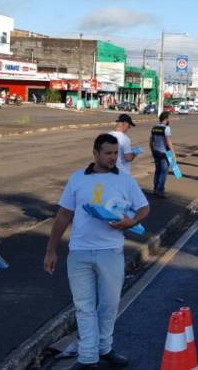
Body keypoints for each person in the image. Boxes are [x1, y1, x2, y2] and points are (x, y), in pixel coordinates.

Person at [44, 134, 150, 369]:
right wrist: (51, 250)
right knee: (84, 306)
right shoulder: (77, 179)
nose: (113, 157)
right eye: (108, 153)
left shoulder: (124, 180)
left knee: (109, 305)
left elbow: (144, 207)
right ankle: (88, 357)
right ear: (95, 153)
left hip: (110, 252)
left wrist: (131, 222)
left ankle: (104, 348)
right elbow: (63, 215)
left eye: (115, 153)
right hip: (79, 252)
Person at [149, 112, 174, 198]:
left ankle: (155, 189)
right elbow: (168, 141)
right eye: (168, 118)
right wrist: (173, 153)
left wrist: (152, 151)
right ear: (166, 119)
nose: (169, 120)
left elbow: (151, 141)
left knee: (157, 171)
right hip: (164, 153)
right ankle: (160, 191)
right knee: (163, 172)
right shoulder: (166, 128)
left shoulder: (154, 128)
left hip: (156, 152)